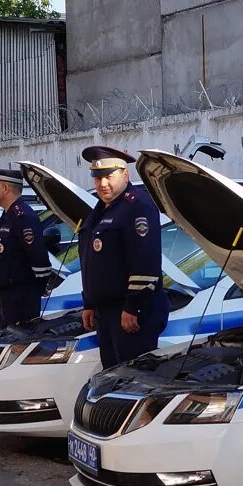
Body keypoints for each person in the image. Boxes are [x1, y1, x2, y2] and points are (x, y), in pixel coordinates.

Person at [75, 146, 168, 369]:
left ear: (125, 174)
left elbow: (145, 261)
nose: (102, 184)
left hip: (130, 314)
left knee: (132, 379)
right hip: (106, 313)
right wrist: (89, 302)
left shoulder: (138, 206)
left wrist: (132, 307)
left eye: (108, 177)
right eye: (97, 178)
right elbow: (91, 259)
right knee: (112, 377)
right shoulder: (101, 209)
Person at [0, 167, 59, 328]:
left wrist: (36, 288)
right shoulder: (8, 215)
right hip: (6, 296)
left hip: (20, 297)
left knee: (17, 344)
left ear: (5, 188)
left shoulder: (23, 216)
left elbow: (38, 256)